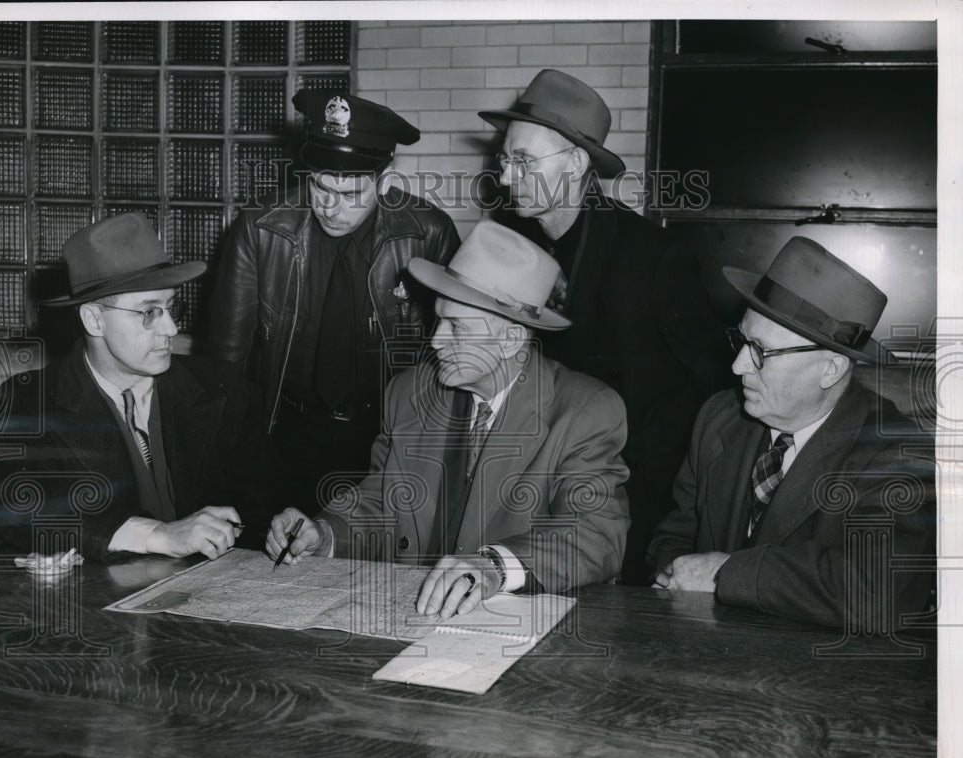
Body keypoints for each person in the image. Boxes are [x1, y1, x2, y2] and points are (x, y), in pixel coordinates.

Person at [266, 220, 629, 618]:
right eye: (439, 320)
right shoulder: (411, 393)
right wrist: (326, 533)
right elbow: (382, 503)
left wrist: (492, 566)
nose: (436, 341)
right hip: (410, 619)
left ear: (510, 340)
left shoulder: (585, 410)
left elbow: (596, 534)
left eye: (456, 326)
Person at [478, 69, 734, 586]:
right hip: (527, 484)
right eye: (505, 160)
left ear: (576, 162)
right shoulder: (504, 238)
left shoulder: (653, 257)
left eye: (524, 161)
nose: (506, 178)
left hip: (630, 502)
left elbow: (717, 391)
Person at [647, 236, 935, 628]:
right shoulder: (720, 417)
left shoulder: (897, 451)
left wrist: (724, 574)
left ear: (831, 369)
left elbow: (882, 592)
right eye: (741, 341)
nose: (736, 367)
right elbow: (676, 535)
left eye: (761, 352)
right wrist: (672, 569)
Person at [207, 90, 460, 514]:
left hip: (385, 439)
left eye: (351, 194)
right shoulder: (262, 227)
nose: (331, 207)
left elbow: (452, 352)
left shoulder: (427, 233)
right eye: (321, 187)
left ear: (382, 181)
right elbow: (225, 359)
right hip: (284, 434)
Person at [0, 213, 276, 561]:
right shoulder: (29, 400)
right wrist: (159, 535)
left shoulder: (222, 385)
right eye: (148, 312)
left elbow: (260, 493)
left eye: (171, 307)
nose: (170, 329)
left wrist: (283, 519)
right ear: (94, 319)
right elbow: (13, 507)